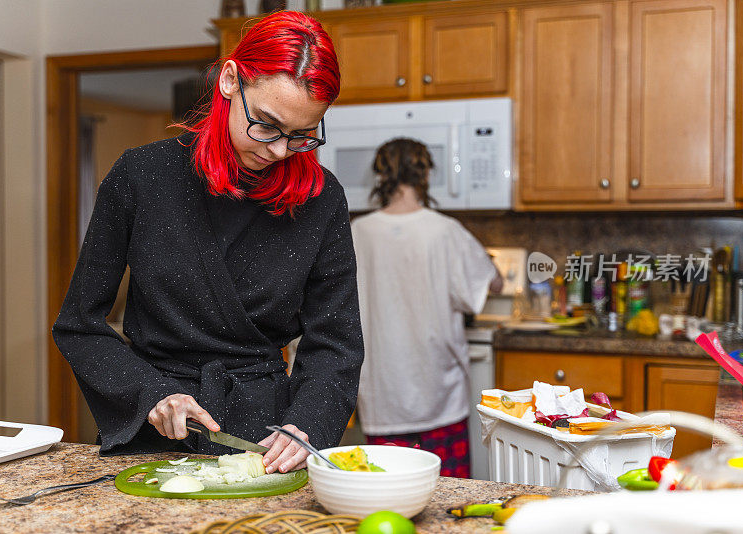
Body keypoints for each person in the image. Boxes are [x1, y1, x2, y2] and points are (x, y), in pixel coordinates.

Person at [52, 11, 363, 475]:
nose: (279, 151)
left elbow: (335, 344)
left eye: (302, 136)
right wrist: (151, 394)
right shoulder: (141, 176)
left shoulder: (322, 197)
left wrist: (306, 425)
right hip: (155, 428)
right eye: (267, 125)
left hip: (268, 442)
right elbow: (79, 325)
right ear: (230, 81)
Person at [351, 138, 502, 478]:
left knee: (391, 488)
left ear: (379, 176)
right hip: (438, 390)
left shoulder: (356, 233)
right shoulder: (445, 231)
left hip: (381, 392)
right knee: (447, 494)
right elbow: (494, 283)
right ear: (426, 174)